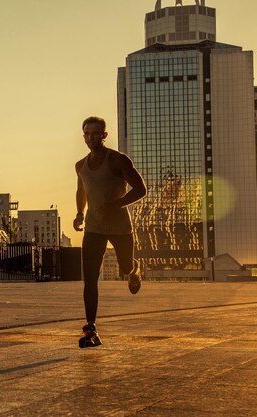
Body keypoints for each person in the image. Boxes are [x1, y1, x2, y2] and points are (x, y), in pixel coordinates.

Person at [73, 116, 146, 348]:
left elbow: (141, 189)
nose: (91, 137)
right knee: (90, 278)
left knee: (124, 267)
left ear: (104, 135)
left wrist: (117, 204)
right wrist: (79, 214)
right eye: (87, 133)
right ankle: (90, 328)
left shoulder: (117, 160)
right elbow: (81, 191)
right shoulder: (80, 165)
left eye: (95, 133)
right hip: (93, 228)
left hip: (120, 227)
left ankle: (134, 268)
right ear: (83, 136)